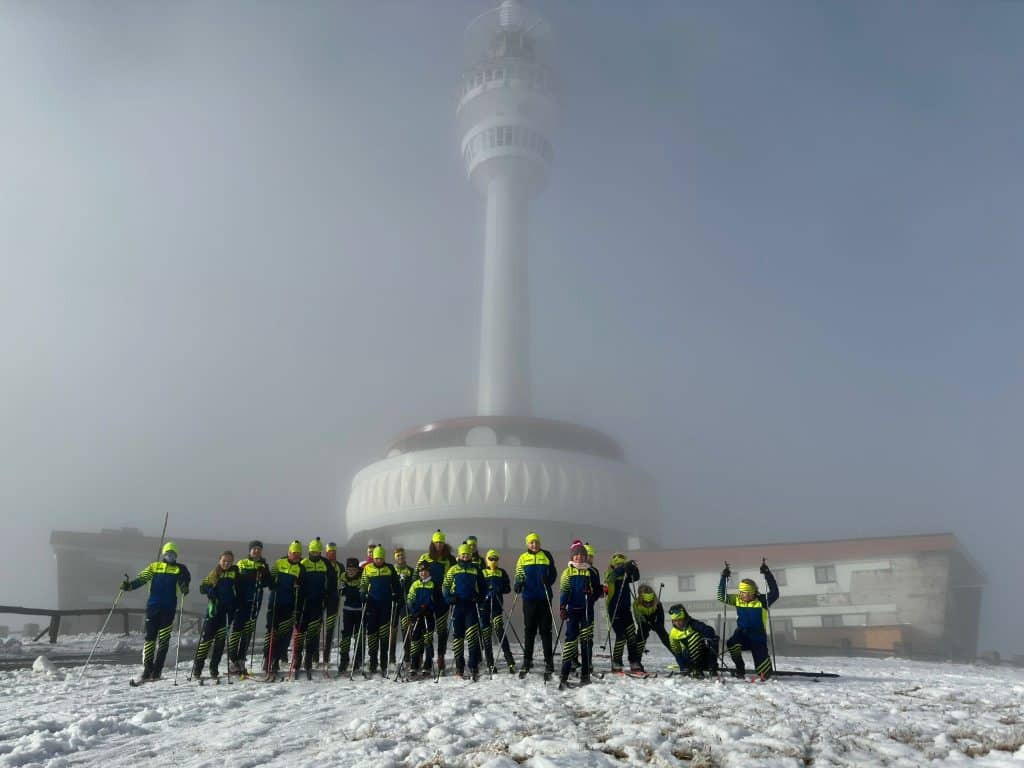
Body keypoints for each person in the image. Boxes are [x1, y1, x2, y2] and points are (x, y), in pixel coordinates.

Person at [121, 541, 191, 683]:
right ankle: (147, 669)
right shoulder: (155, 566)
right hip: (153, 607)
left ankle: (157, 671)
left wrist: (185, 587)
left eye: (172, 554)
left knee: (163, 640)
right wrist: (129, 586)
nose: (170, 556)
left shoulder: (180, 569)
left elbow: (186, 583)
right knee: (150, 639)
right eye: (167, 553)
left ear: (176, 555)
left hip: (168, 609)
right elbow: (141, 579)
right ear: (163, 554)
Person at [718, 562, 780, 679]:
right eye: (741, 592)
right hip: (742, 635)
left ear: (752, 592)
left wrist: (767, 574)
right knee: (732, 643)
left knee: (764, 674)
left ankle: (764, 669)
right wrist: (724, 578)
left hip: (758, 637)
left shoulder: (762, 600)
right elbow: (721, 597)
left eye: (745, 592)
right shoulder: (737, 599)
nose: (742, 595)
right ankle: (740, 668)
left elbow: (775, 593)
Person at [514, 532, 558, 677]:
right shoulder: (523, 558)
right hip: (529, 598)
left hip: (544, 597)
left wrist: (549, 579)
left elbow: (553, 573)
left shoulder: (546, 555)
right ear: (527, 544)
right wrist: (518, 584)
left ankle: (548, 660)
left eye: (536, 542)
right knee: (529, 630)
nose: (534, 545)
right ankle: (527, 660)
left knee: (546, 631)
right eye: (531, 542)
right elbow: (519, 575)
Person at [558, 543, 601, 687]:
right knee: (570, 640)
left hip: (587, 611)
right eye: (576, 555)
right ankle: (564, 674)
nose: (579, 557)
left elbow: (597, 590)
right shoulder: (568, 572)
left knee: (586, 641)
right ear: (572, 557)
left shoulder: (591, 571)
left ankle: (585, 673)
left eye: (582, 555)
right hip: (572, 610)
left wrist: (593, 593)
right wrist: (562, 607)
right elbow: (564, 590)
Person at [192, 550, 238, 681]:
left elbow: (238, 590)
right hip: (213, 613)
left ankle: (214, 669)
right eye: (224, 561)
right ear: (219, 561)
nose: (226, 563)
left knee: (220, 643)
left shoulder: (234, 574)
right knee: (206, 642)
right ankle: (198, 669)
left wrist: (234, 605)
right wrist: (210, 591)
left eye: (229, 561)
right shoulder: (214, 573)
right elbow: (202, 587)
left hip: (227, 614)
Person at [442, 542, 487, 680]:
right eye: (463, 554)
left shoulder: (476, 569)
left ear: (470, 555)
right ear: (459, 555)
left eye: (467, 554)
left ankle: (473, 665)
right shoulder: (453, 569)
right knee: (458, 638)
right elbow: (445, 587)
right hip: (458, 606)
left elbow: (483, 587)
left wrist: (479, 597)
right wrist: (450, 598)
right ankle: (459, 666)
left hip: (471, 607)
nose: (465, 556)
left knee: (472, 637)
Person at [263, 540, 304, 677]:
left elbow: (303, 585)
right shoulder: (280, 563)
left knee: (285, 634)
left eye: (298, 553)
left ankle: (276, 660)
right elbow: (270, 579)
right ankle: (266, 658)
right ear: (289, 553)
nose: (296, 555)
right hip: (275, 602)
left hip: (289, 604)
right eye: (294, 553)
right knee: (271, 631)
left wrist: (299, 584)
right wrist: (272, 583)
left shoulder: (301, 567)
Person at [417, 529, 456, 674]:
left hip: (442, 599)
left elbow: (453, 578)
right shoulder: (424, 557)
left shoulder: (449, 559)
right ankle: (427, 659)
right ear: (432, 543)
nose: (439, 545)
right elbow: (417, 577)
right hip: (427, 598)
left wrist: (451, 595)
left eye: (441, 542)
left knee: (441, 630)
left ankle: (440, 656)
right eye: (436, 542)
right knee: (427, 630)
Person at [229, 540, 269, 675]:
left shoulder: (263, 564)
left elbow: (268, 583)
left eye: (259, 549)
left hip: (255, 603)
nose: (256, 551)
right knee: (236, 631)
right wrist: (251, 575)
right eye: (254, 549)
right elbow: (236, 579)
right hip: (241, 602)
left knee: (247, 632)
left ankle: (241, 660)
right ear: (250, 551)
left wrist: (265, 573)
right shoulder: (242, 563)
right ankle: (233, 660)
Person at [360, 545, 400, 676]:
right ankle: (372, 662)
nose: (378, 560)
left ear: (384, 558)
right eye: (376, 558)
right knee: (371, 634)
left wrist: (396, 594)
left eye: (381, 558)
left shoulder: (389, 569)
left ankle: (383, 663)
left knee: (383, 635)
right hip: (372, 606)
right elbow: (363, 584)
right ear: (373, 558)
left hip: (386, 606)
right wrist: (362, 594)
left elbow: (396, 584)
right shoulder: (368, 568)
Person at [293, 537, 329, 679]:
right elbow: (296, 580)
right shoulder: (303, 563)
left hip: (317, 604)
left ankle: (308, 660)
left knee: (313, 634)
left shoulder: (324, 565)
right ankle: (297, 659)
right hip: (303, 605)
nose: (315, 554)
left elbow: (329, 583)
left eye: (317, 552)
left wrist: (327, 597)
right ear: (309, 551)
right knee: (300, 632)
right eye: (313, 552)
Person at [605, 553, 643, 673]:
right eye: (618, 564)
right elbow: (612, 577)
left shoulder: (625, 575)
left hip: (626, 610)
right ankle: (616, 661)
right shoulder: (610, 573)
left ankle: (634, 661)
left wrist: (633, 569)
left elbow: (636, 578)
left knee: (632, 635)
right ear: (613, 564)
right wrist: (624, 567)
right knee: (621, 636)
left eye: (622, 564)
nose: (619, 566)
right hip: (614, 610)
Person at [480, 548, 516, 674]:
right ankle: (490, 662)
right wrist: (485, 593)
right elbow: (477, 588)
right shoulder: (482, 572)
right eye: (491, 559)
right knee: (486, 634)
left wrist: (499, 588)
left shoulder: (502, 572)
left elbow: (508, 588)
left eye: (496, 559)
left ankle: (509, 660)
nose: (493, 561)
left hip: (496, 606)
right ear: (487, 560)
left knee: (500, 630)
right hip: (484, 607)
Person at [405, 561, 439, 678]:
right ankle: (414, 664)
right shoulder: (415, 584)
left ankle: (427, 665)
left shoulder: (433, 584)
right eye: (421, 571)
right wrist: (415, 611)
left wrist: (429, 609)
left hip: (428, 616)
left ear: (429, 572)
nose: (423, 573)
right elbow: (410, 599)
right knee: (415, 640)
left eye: (425, 571)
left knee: (427, 640)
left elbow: (436, 601)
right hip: (417, 616)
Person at [667, 604, 718, 677]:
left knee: (702, 638)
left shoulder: (694, 624)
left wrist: (708, 636)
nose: (678, 623)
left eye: (680, 620)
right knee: (681, 650)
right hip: (687, 657)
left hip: (703, 656)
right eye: (675, 621)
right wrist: (682, 667)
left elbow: (709, 630)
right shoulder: (673, 633)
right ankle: (693, 668)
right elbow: (677, 653)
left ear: (685, 618)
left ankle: (711, 667)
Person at [338, 557, 364, 674]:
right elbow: (339, 590)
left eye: (353, 569)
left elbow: (366, 590)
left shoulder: (362, 577)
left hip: (360, 610)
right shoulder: (343, 576)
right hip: (347, 610)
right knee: (346, 636)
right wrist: (341, 590)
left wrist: (364, 594)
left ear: (357, 569)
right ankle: (344, 660)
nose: (351, 571)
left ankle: (357, 660)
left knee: (359, 636)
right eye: (349, 569)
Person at [389, 546, 415, 664]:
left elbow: (414, 587)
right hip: (394, 602)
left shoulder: (410, 570)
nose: (400, 557)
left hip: (405, 603)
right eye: (398, 556)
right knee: (392, 629)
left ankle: (407, 655)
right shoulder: (391, 569)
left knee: (406, 628)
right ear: (395, 557)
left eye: (402, 555)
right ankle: (391, 657)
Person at [633, 584, 672, 656]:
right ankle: (636, 659)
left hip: (654, 618)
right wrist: (641, 621)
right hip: (644, 620)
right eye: (645, 602)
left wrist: (658, 624)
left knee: (664, 635)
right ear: (641, 599)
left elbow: (661, 619)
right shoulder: (636, 604)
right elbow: (637, 618)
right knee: (641, 636)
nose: (648, 604)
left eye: (650, 602)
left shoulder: (658, 603)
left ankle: (679, 655)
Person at [322, 542, 342, 670]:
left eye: (334, 552)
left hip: (333, 599)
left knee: (330, 628)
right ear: (326, 552)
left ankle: (326, 657)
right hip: (320, 598)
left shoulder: (340, 566)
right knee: (316, 627)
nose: (332, 554)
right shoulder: (322, 563)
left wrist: (343, 587)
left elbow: (345, 579)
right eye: (330, 552)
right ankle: (313, 657)